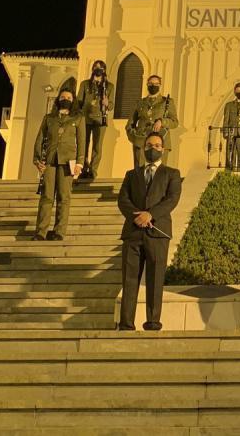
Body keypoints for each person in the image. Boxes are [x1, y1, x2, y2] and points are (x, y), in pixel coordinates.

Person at [117, 133, 183, 331]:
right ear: (144, 148)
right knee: (129, 279)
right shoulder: (132, 174)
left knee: (155, 280)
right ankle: (126, 323)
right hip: (133, 232)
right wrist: (137, 216)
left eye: (156, 145)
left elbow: (171, 200)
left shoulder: (172, 173)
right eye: (149, 145)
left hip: (157, 232)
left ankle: (153, 321)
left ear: (163, 149)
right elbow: (123, 200)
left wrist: (150, 215)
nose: (152, 148)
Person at [32, 88, 85, 241]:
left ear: (73, 100)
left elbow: (82, 142)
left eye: (69, 97)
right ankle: (41, 232)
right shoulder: (49, 118)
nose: (65, 99)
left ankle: (59, 232)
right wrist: (37, 159)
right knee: (47, 196)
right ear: (58, 99)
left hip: (68, 161)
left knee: (64, 197)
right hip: (50, 160)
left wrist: (80, 163)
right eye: (63, 96)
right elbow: (39, 139)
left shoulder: (78, 118)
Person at [126, 75, 178, 170]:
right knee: (140, 174)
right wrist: (135, 138)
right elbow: (129, 125)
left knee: (158, 175)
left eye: (156, 84)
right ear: (147, 85)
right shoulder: (140, 102)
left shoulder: (167, 102)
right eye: (150, 83)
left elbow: (174, 122)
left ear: (160, 85)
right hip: (142, 142)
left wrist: (162, 122)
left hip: (161, 141)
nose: (153, 85)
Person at [76, 60, 113, 179]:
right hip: (85, 119)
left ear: (104, 71)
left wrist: (107, 103)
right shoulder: (85, 84)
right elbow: (78, 102)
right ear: (92, 69)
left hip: (100, 120)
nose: (98, 70)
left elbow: (112, 105)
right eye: (96, 67)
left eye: (101, 68)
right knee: (83, 145)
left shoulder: (109, 86)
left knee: (97, 147)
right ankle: (83, 169)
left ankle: (93, 171)